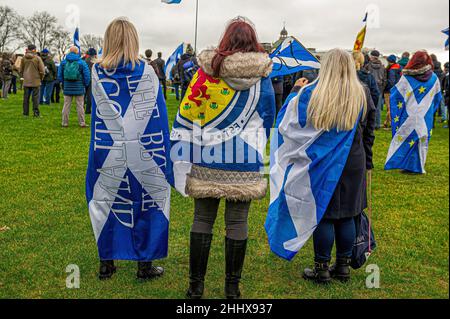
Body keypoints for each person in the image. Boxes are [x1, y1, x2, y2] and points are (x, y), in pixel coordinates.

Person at [171, 17, 275, 299]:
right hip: (245, 159)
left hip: (207, 156)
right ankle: (232, 288)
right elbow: (268, 121)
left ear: (224, 41)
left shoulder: (205, 74)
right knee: (237, 222)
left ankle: (195, 287)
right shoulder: (263, 79)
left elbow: (189, 115)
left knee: (202, 219)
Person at [86, 17, 171, 281]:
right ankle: (144, 265)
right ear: (134, 40)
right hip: (145, 150)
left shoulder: (96, 72)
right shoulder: (147, 72)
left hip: (106, 148)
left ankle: (107, 263)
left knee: (106, 200)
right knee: (146, 201)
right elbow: (159, 116)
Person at [294, 49, 375, 284]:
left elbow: (297, 126)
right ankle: (342, 267)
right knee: (349, 213)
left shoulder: (314, 93)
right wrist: (368, 161)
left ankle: (322, 269)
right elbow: (369, 130)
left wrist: (296, 92)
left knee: (326, 215)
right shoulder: (362, 92)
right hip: (354, 159)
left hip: (324, 159)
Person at [385, 51, 442, 174]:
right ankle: (417, 165)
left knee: (408, 137)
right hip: (425, 115)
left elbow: (396, 95)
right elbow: (437, 97)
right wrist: (431, 110)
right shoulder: (434, 78)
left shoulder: (406, 78)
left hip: (408, 114)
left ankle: (408, 165)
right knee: (421, 138)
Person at [58, 46, 90, 128]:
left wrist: (63, 83)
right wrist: (85, 84)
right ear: (77, 52)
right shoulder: (82, 62)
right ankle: (82, 123)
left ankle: (64, 123)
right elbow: (87, 75)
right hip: (79, 87)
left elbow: (59, 76)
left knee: (66, 105)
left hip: (67, 87)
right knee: (80, 105)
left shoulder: (63, 62)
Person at [20, 44, 45, 117]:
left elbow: (21, 70)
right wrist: (41, 78)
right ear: (34, 49)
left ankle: (25, 113)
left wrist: (23, 76)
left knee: (26, 98)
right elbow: (42, 71)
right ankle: (36, 113)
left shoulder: (23, 58)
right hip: (36, 80)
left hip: (26, 80)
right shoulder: (37, 58)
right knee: (35, 98)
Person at [367, 50, 386, 129]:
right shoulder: (383, 67)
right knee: (377, 108)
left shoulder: (368, 66)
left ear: (371, 56)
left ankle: (370, 124)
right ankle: (377, 124)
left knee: (369, 108)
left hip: (370, 88)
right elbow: (385, 79)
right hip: (379, 88)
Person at [384, 55, 402, 129]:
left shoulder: (392, 69)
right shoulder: (399, 67)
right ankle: (386, 122)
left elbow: (391, 81)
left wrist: (386, 84)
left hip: (389, 90)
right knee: (392, 107)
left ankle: (392, 124)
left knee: (390, 107)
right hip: (398, 89)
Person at [83, 48, 97, 114]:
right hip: (92, 79)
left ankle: (82, 109)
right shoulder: (95, 61)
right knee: (89, 95)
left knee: (83, 94)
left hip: (85, 78)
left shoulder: (85, 60)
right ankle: (88, 110)